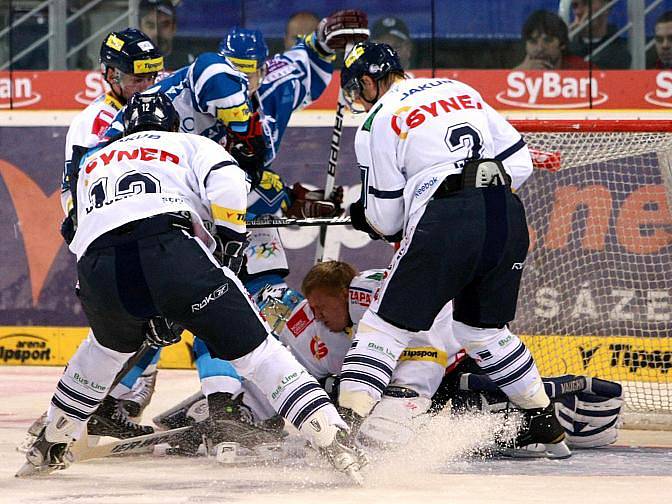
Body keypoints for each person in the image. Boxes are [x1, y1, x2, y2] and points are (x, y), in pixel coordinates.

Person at [17, 92, 365, 482]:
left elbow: (72, 226)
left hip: (98, 266)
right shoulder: (189, 142)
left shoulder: (92, 160)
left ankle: (50, 441)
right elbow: (229, 182)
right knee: (258, 353)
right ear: (170, 124)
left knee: (104, 349)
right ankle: (332, 436)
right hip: (169, 245)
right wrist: (231, 242)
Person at [335, 41, 569, 458]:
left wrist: (362, 214)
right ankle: (547, 426)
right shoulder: (457, 88)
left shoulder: (377, 119)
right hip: (506, 213)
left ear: (370, 81)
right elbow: (520, 164)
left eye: (358, 86)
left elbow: (385, 220)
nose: (357, 94)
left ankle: (341, 434)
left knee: (384, 326)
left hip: (447, 217)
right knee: (482, 331)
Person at [280, 261, 623, 454]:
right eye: (312, 308)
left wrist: (400, 404)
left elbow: (424, 355)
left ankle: (565, 405)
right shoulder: (322, 325)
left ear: (345, 294)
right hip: (428, 380)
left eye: (322, 306)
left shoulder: (376, 295)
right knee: (458, 437)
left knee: (481, 413)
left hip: (456, 364)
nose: (318, 316)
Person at [56, 28, 165, 441]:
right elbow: (80, 188)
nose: (147, 86)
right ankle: (88, 405)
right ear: (111, 74)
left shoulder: (149, 106)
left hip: (132, 229)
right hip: (107, 233)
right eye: (138, 79)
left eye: (152, 77)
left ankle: (101, 403)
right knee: (128, 325)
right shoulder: (97, 121)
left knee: (152, 321)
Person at [514, 10, 590, 70]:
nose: (540, 48)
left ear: (562, 43)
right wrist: (519, 74)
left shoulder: (583, 71)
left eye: (548, 41)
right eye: (533, 42)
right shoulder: (517, 75)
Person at [568, 0, 631, 69]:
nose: (578, 12)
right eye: (575, 5)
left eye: (586, 3)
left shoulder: (624, 49)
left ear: (607, 7)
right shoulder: (567, 49)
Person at [139, 0, 193, 70]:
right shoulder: (129, 62)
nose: (156, 32)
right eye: (150, 25)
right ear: (140, 28)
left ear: (174, 27)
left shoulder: (190, 64)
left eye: (164, 25)